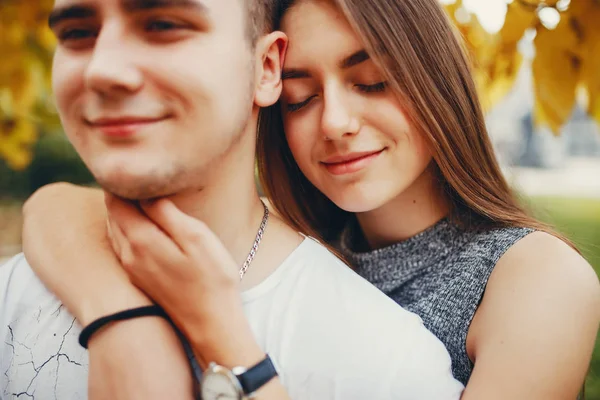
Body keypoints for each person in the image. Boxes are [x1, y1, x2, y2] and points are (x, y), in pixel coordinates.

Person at [15, 0, 600, 398]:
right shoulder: (303, 239)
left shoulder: (535, 275)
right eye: (299, 98)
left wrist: (227, 341)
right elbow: (63, 206)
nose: (337, 123)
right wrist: (126, 325)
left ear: (436, 83)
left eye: (372, 81)